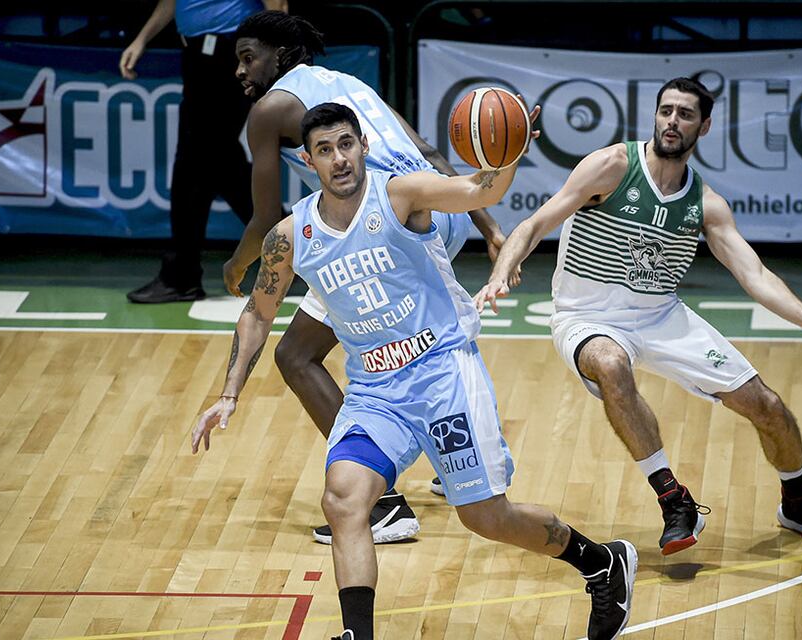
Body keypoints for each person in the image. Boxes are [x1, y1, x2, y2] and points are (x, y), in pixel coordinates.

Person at [191, 103, 637, 640]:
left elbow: (480, 192)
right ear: (308, 162)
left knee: (485, 517)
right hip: (375, 390)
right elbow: (257, 313)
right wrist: (230, 394)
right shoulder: (291, 236)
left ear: (364, 147)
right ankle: (358, 634)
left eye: (347, 144)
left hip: (443, 372)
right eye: (326, 150)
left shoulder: (400, 194)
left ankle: (599, 563)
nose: (340, 159)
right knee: (344, 497)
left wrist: (508, 154)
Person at [475, 77, 802, 556]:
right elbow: (534, 224)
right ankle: (674, 499)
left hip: (661, 316)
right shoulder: (612, 166)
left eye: (685, 114)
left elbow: (754, 274)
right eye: (666, 111)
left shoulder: (705, 204)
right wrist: (500, 272)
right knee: (612, 365)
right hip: (586, 315)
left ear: (704, 125)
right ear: (655, 116)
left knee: (768, 407)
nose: (672, 121)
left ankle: (797, 501)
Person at [227, 11, 516, 544]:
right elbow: (427, 155)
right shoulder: (347, 85)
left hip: (384, 223)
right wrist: (488, 225)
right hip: (434, 213)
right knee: (414, 337)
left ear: (280, 55)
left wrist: (239, 263)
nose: (241, 72)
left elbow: (266, 219)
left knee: (297, 355)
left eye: (248, 58)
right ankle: (465, 445)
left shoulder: (269, 111)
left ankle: (382, 501)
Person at [122, 0, 286, 303]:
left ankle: (181, 276)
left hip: (230, 54)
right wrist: (141, 39)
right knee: (217, 162)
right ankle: (295, 241)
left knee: (197, 163)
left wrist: (282, 58)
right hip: (198, 55)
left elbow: (277, 3)